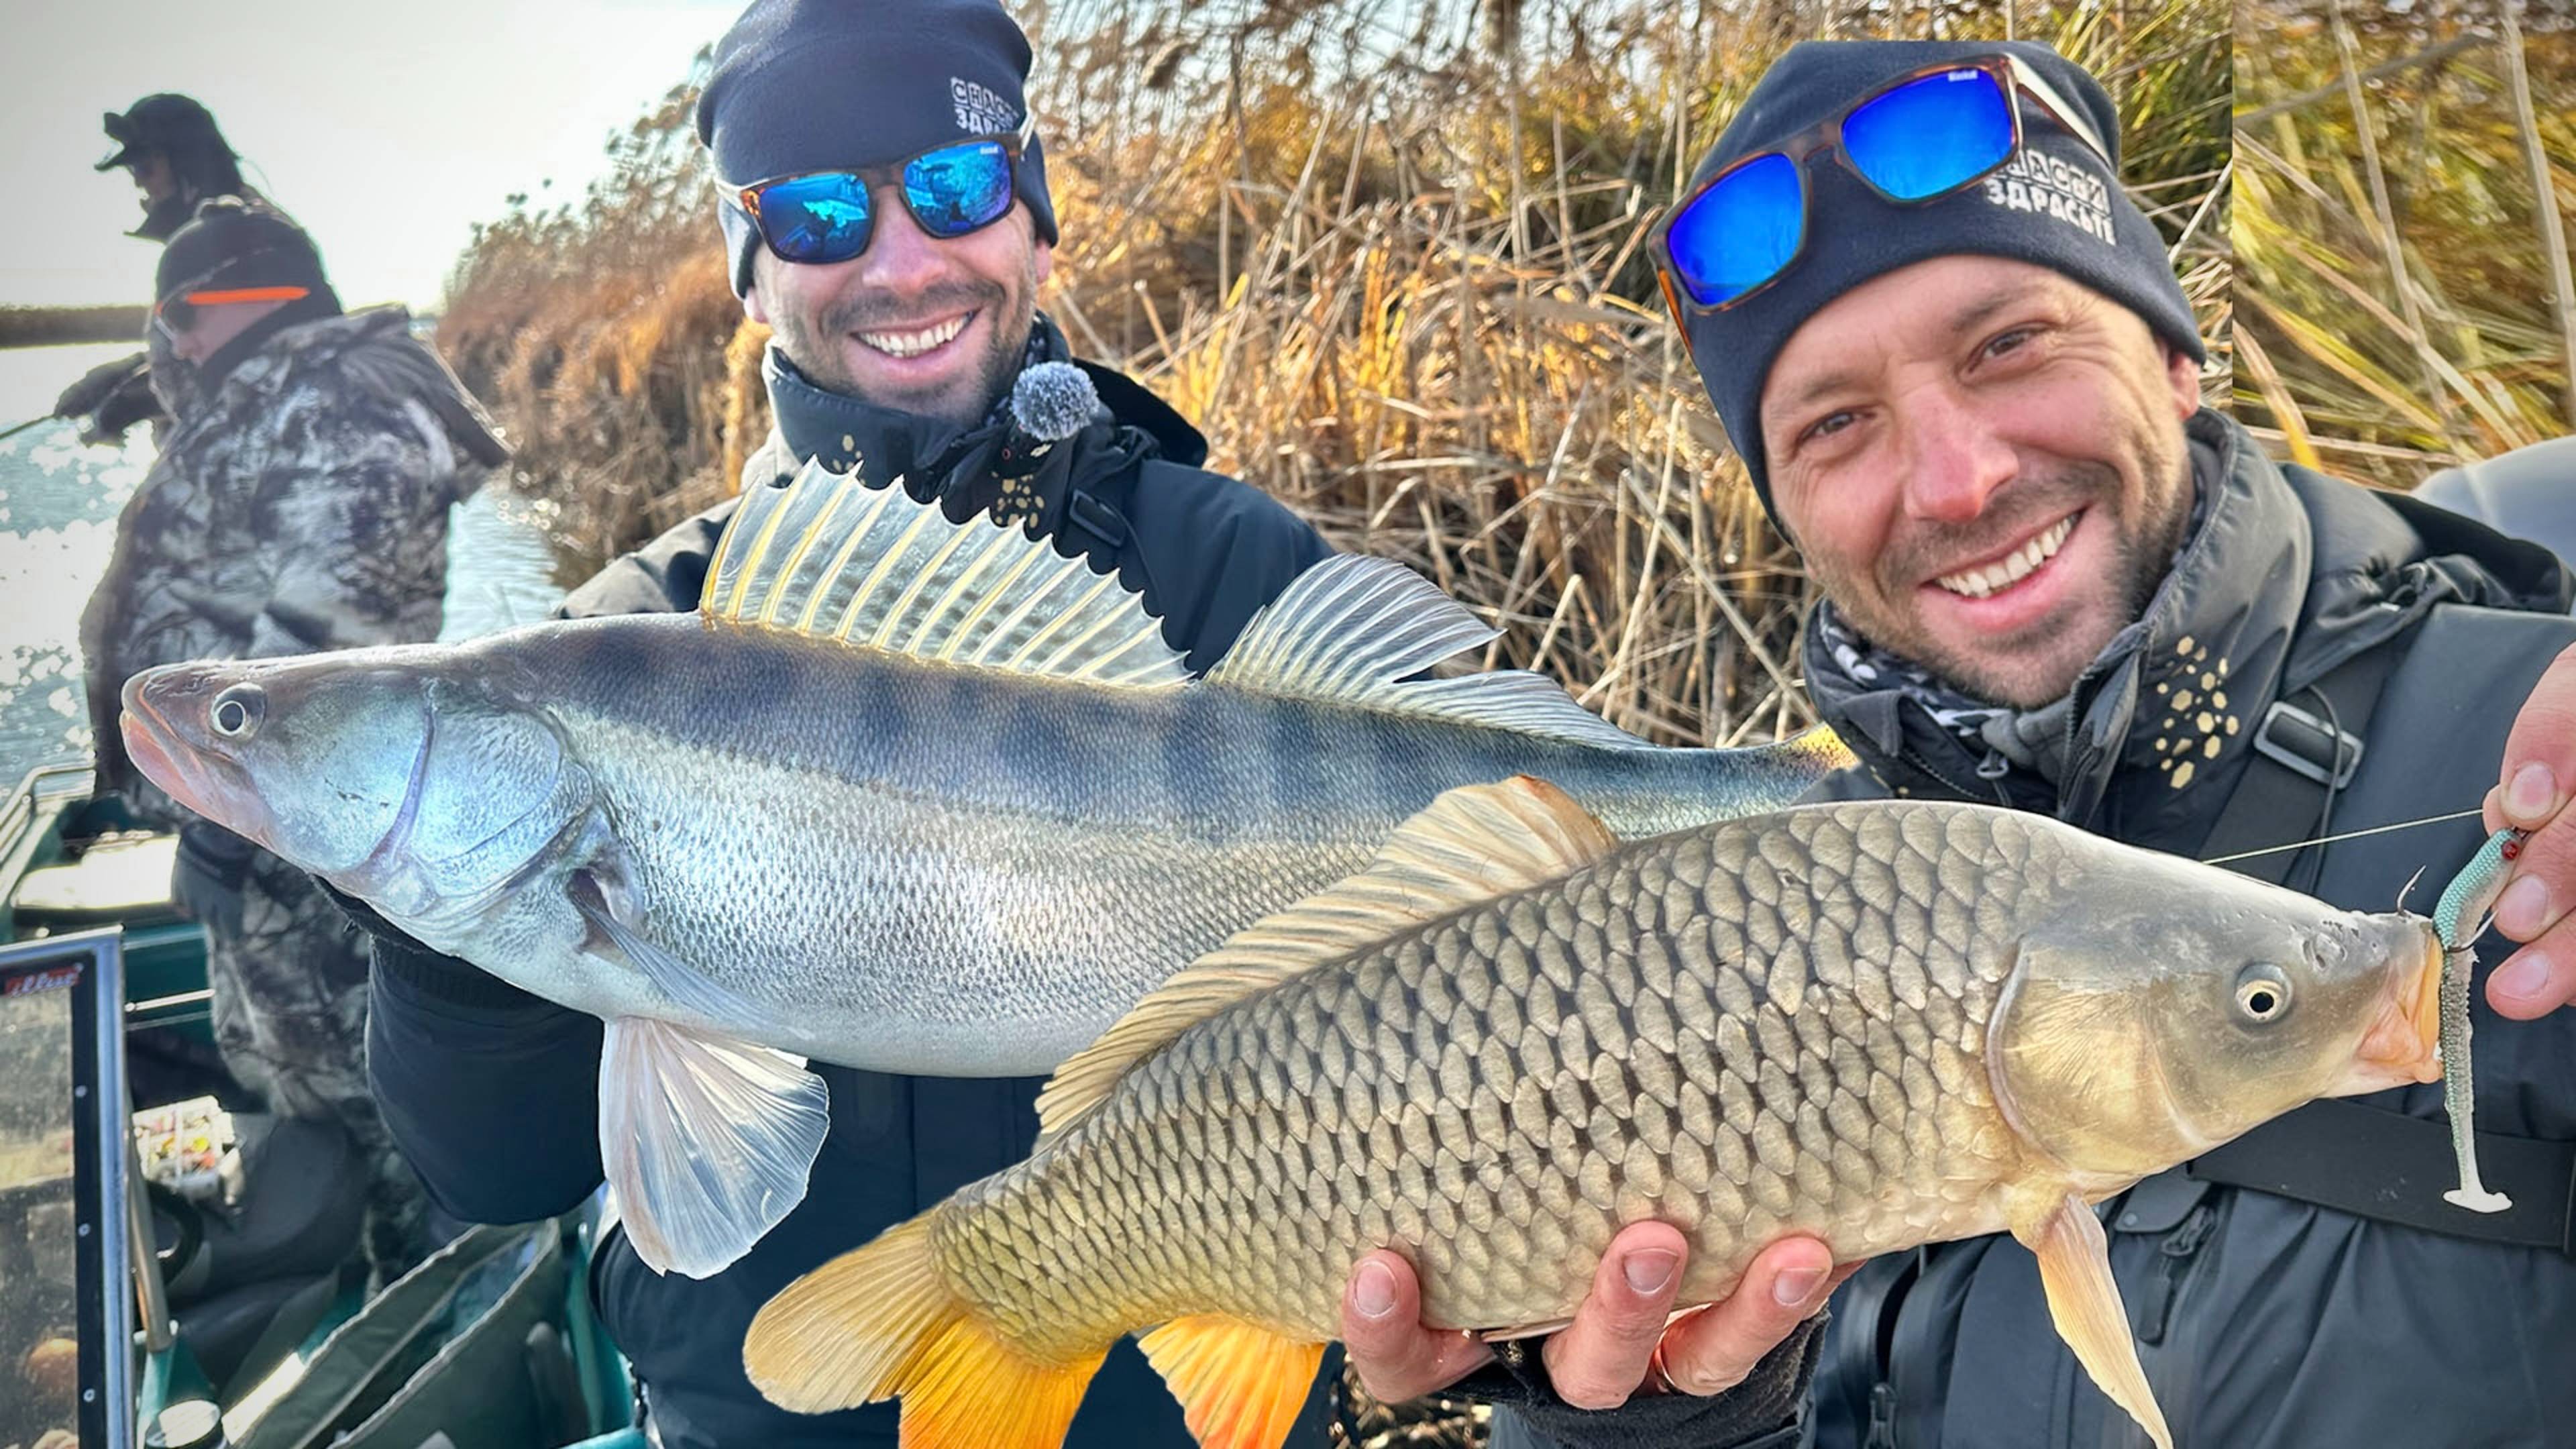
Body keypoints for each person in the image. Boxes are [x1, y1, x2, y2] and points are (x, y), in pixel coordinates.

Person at [1548, 36, 2574, 1448]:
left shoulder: (2546, 761)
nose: (1958, 479)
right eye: (1837, 424)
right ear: (1786, 513)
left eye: (2009, 345)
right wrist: (1641, 1415)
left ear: (2172, 354)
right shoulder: (1725, 927)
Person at [352, 3, 1342, 1445]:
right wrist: (435, 926)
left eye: (954, 186)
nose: (898, 261)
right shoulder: (625, 640)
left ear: (1036, 225)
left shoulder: (1238, 576)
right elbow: (496, 1172)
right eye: (815, 214)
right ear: (755, 279)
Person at [80, 197, 508, 1285]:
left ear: (259, 294)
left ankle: (454, 1307)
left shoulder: (348, 410)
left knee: (388, 1107)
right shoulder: (276, 400)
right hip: (251, 831)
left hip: (313, 863)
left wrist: (222, 842)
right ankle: (372, 1272)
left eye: (184, 313)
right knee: (298, 1089)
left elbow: (344, 625)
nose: (171, 339)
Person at [54, 95, 280, 444]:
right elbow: (202, 340)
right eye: (133, 171)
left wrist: (127, 402)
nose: (138, 183)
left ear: (185, 161)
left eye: (145, 167)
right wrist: (124, 370)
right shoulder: (231, 229)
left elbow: (252, 358)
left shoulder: (239, 236)